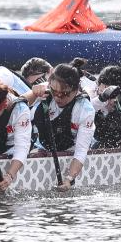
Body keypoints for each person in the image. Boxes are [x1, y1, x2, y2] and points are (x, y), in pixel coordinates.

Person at [29, 61, 96, 190]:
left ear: (76, 90)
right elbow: (15, 104)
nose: (58, 97)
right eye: (54, 92)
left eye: (64, 94)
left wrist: (69, 179)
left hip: (71, 149)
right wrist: (33, 93)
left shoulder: (85, 109)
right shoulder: (45, 89)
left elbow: (81, 151)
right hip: (42, 147)